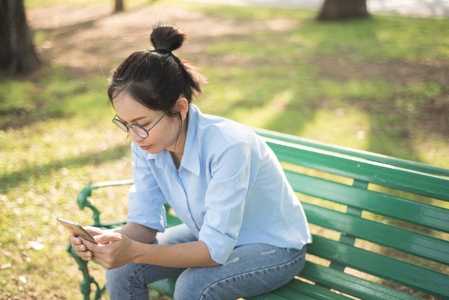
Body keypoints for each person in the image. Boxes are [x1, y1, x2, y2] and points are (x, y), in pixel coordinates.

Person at [69, 24, 312, 300]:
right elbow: (144, 225)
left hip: (274, 246)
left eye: (142, 123)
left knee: (194, 286)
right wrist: (104, 239)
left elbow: (214, 250)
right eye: (125, 124)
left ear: (180, 108)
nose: (133, 136)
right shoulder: (147, 143)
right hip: (210, 233)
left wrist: (134, 250)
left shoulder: (228, 146)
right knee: (122, 269)